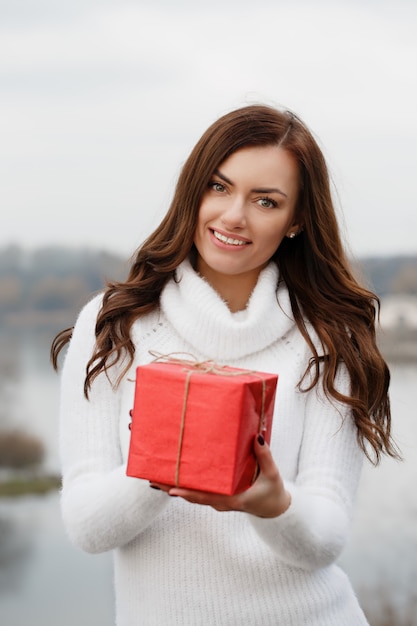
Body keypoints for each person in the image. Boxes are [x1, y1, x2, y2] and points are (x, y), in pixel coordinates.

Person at [51, 104, 399, 626]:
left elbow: (326, 536)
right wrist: (160, 465)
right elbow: (86, 526)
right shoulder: (113, 326)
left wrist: (273, 503)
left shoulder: (328, 336)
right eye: (218, 187)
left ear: (297, 220)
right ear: (193, 191)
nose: (234, 216)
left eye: (266, 201)